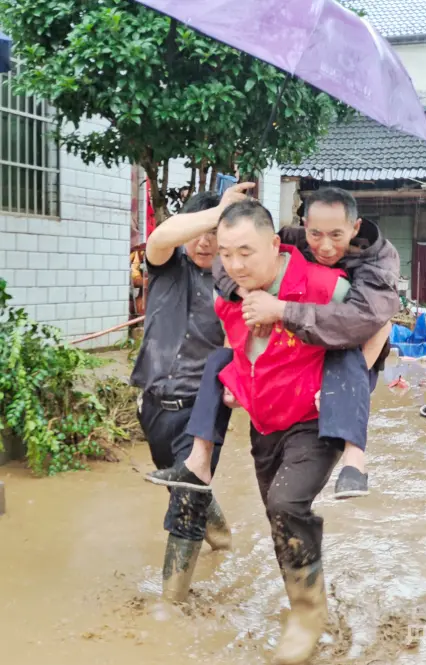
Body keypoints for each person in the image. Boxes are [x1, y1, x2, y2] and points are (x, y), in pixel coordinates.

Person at [150, 188, 399, 499]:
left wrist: (280, 310)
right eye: (315, 233)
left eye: (336, 235)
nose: (324, 245)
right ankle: (198, 462)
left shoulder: (379, 262)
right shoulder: (288, 239)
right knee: (218, 362)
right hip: (302, 342)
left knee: (345, 360)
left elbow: (372, 322)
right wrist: (252, 297)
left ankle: (355, 460)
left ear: (355, 228)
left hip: (356, 342)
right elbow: (227, 268)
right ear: (304, 224)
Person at [210, 200, 374, 664]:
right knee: (278, 517)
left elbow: (375, 324)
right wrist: (236, 385)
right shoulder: (230, 292)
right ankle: (312, 601)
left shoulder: (326, 286)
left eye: (246, 252)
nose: (235, 265)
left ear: (275, 245)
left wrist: (351, 382)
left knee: (287, 503)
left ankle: (306, 615)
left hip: (314, 421)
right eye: (226, 254)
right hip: (265, 423)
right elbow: (235, 342)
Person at [130, 183, 254, 602]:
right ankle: (221, 538)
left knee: (185, 503)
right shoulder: (165, 265)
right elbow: (161, 236)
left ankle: (170, 605)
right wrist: (219, 211)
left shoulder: (234, 285)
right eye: (200, 231)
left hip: (202, 409)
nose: (205, 242)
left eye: (217, 235)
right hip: (152, 407)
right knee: (183, 489)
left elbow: (250, 343)